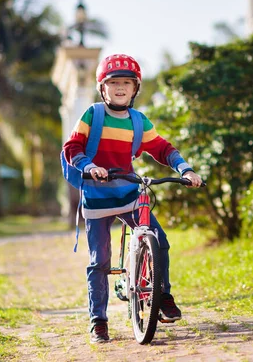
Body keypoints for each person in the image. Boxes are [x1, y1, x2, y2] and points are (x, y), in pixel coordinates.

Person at [62, 53, 203, 344]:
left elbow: (163, 149)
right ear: (103, 88)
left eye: (127, 82)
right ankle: (98, 321)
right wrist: (90, 167)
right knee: (100, 261)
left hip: (128, 190)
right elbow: (72, 148)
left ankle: (162, 295)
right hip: (97, 195)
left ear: (135, 88)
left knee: (158, 239)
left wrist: (186, 170)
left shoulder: (138, 121)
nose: (120, 88)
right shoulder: (93, 114)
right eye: (113, 83)